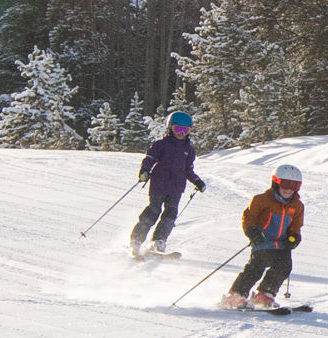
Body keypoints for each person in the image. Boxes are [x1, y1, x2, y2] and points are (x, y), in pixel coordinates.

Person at [219, 164, 304, 310]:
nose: (288, 189)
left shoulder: (297, 206)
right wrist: (252, 231)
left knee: (284, 267)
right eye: (285, 184)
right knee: (256, 267)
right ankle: (236, 296)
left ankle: (265, 294)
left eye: (294, 185)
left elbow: (296, 226)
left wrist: (294, 238)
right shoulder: (262, 200)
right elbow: (249, 217)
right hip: (262, 242)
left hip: (282, 245)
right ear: (275, 182)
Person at [130, 111, 205, 256]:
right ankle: (136, 239)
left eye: (185, 129)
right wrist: (144, 172)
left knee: (170, 214)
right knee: (153, 211)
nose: (181, 133)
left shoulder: (188, 150)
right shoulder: (161, 145)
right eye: (178, 129)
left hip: (176, 188)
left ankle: (159, 240)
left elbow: (188, 170)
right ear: (170, 128)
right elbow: (149, 159)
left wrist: (197, 181)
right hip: (159, 184)